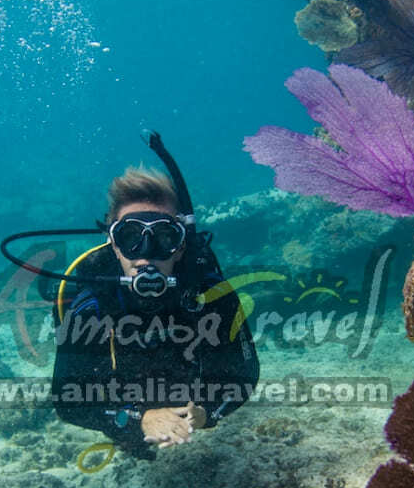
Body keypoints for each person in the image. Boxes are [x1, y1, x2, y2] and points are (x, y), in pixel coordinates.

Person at [47, 156, 260, 456]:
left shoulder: (210, 292)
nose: (145, 256)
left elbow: (245, 374)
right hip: (123, 401)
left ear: (182, 245)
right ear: (113, 243)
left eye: (164, 238)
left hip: (190, 398)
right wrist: (136, 417)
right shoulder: (87, 300)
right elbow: (67, 403)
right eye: (131, 237)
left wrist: (208, 413)